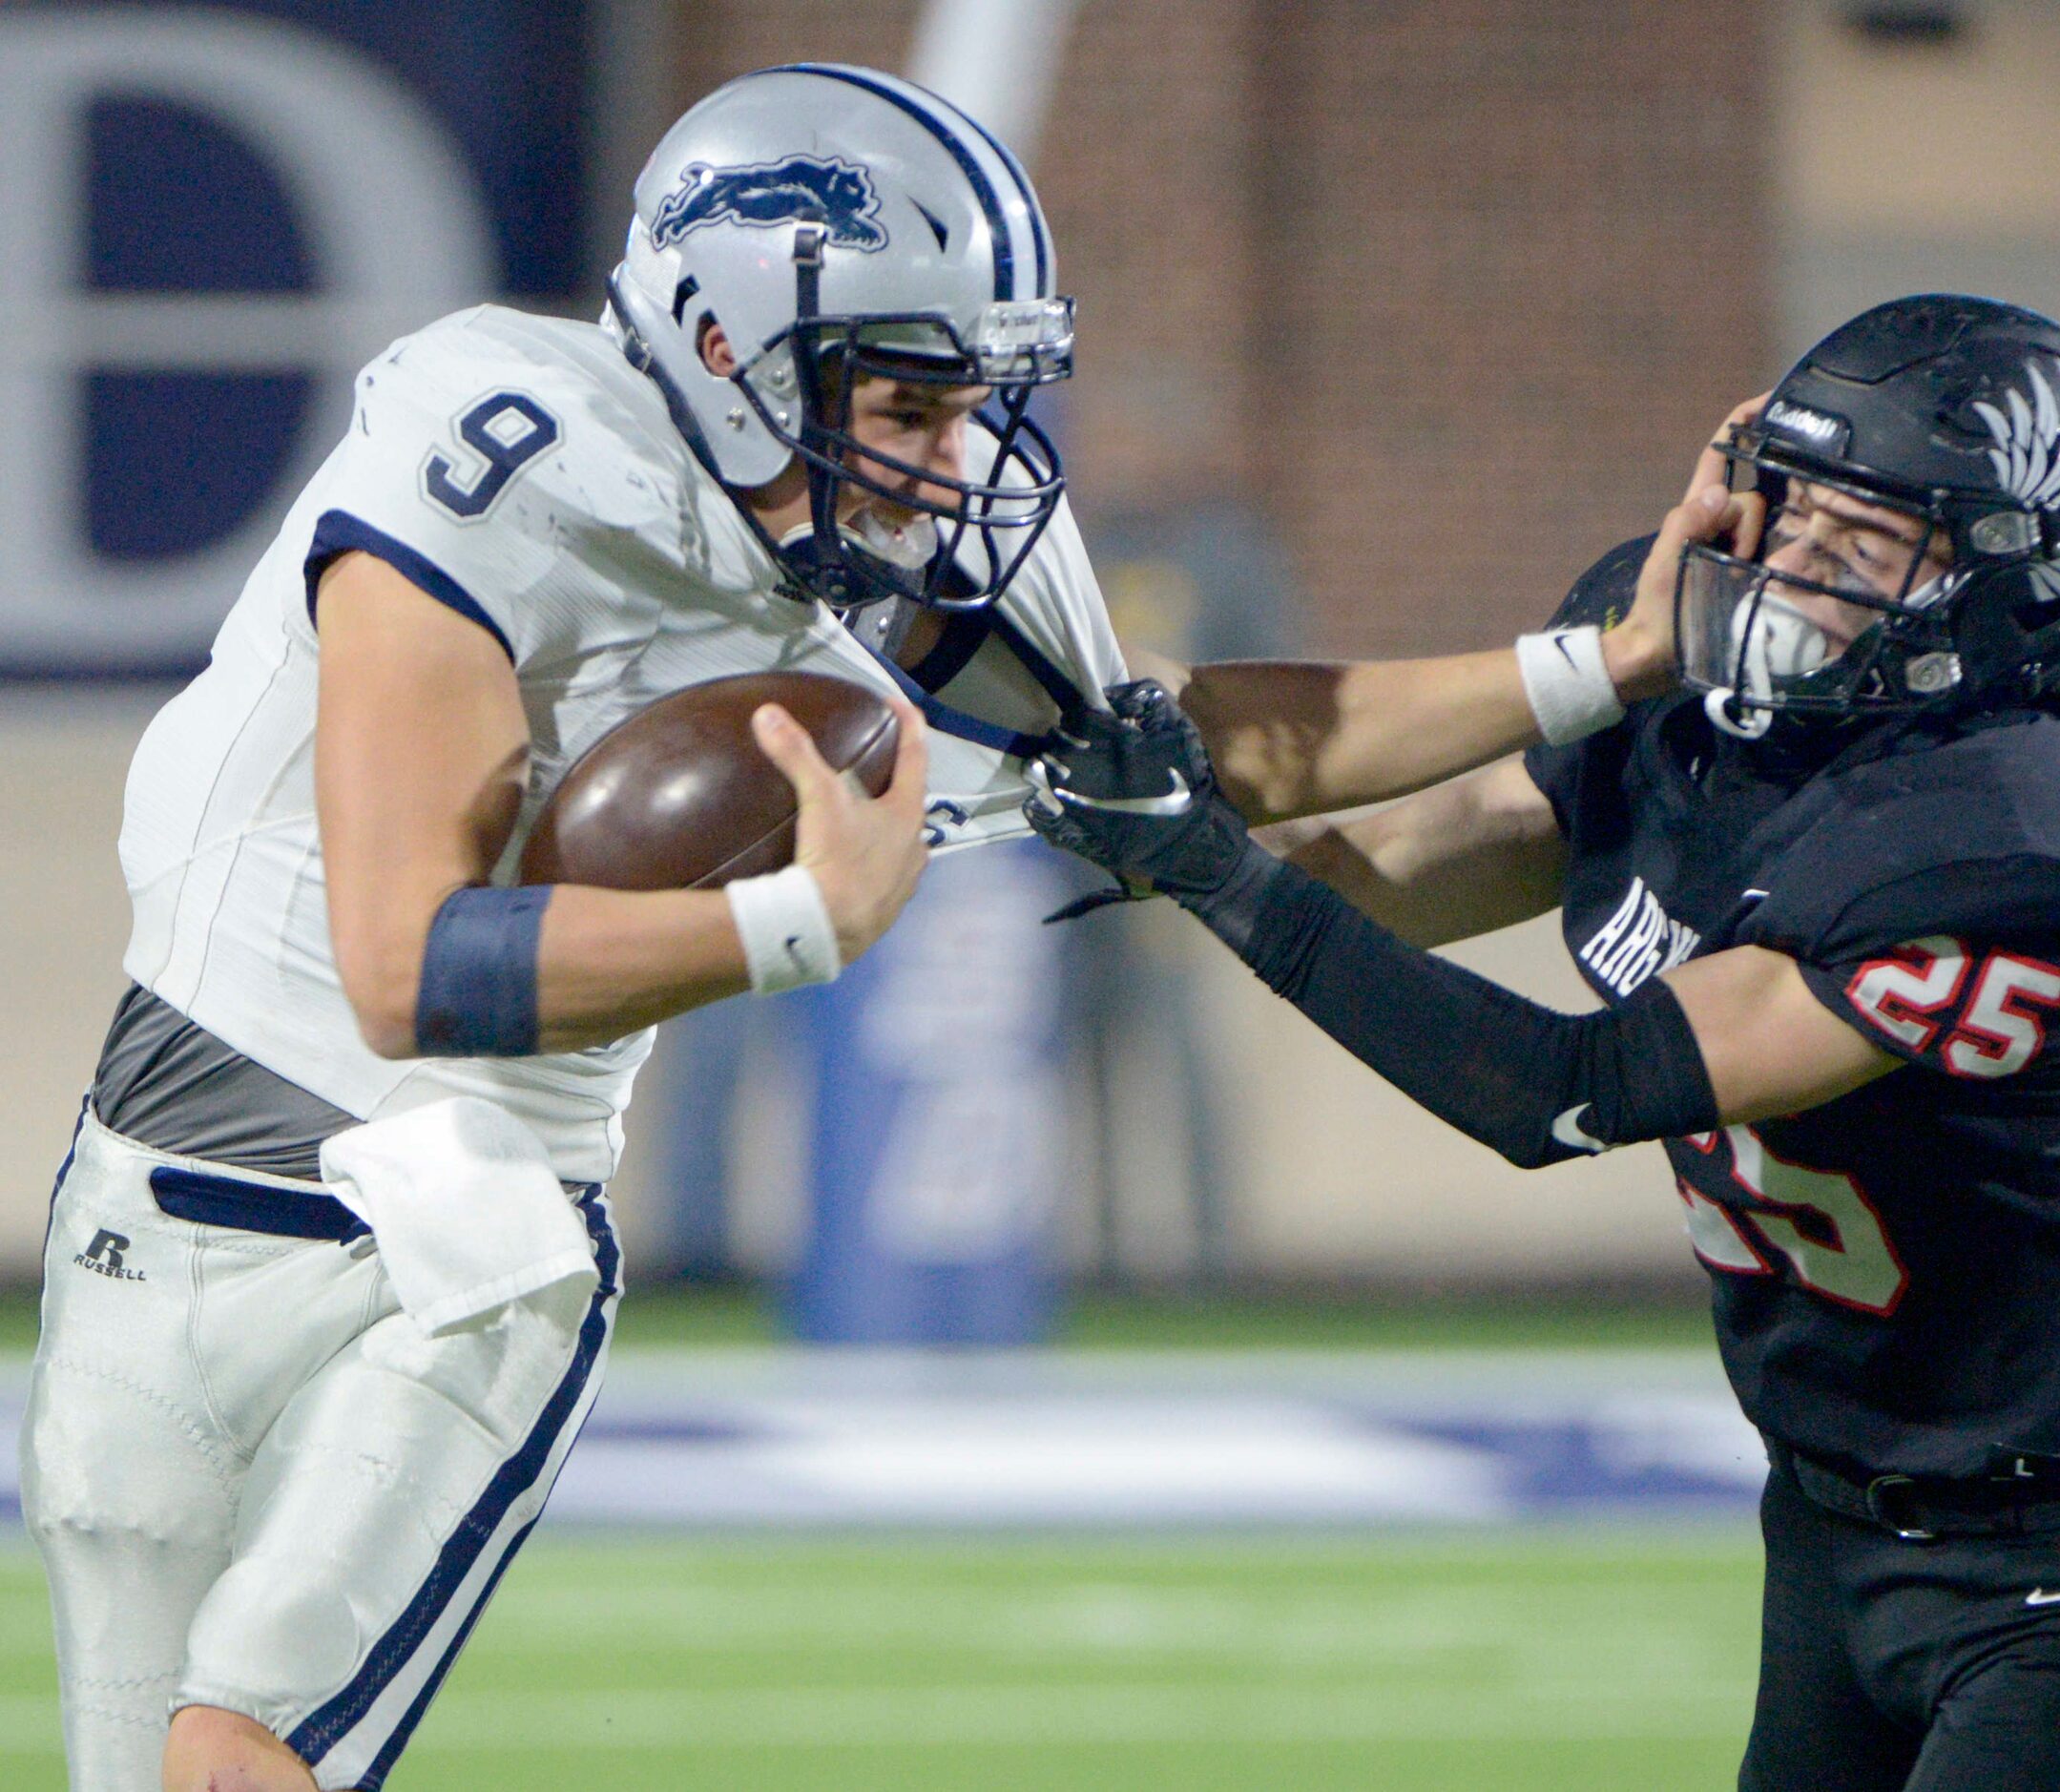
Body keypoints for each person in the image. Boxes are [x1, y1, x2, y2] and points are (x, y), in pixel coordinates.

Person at [20, 64, 1594, 1792]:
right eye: (906, 401)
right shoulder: (499, 463)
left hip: (469, 1241)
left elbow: (1176, 745)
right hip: (162, 1203)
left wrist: (1599, 664)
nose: (952, 460)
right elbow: (408, 968)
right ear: (722, 346)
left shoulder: (849, 526)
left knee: (237, 1757)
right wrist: (794, 927)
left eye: (966, 402)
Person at [1028, 294, 2060, 1792]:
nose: (1789, 561)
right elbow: (1457, 840)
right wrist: (1175, 824)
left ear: (2017, 591)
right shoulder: (1689, 679)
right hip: (1828, 1503)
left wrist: (1225, 880)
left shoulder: (2009, 840)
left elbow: (1566, 1091)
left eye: (1865, 542)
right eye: (1794, 505)